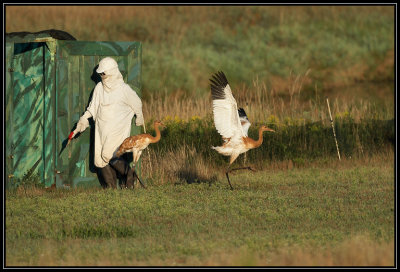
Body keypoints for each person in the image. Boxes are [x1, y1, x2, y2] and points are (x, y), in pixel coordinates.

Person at [71, 57, 144, 189]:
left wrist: (139, 117)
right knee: (99, 160)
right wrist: (83, 120)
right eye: (100, 74)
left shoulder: (124, 89)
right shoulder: (99, 88)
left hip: (117, 131)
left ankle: (130, 176)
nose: (102, 76)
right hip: (101, 130)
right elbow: (92, 108)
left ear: (113, 72)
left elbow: (137, 103)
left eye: (104, 73)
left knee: (108, 154)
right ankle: (111, 189)